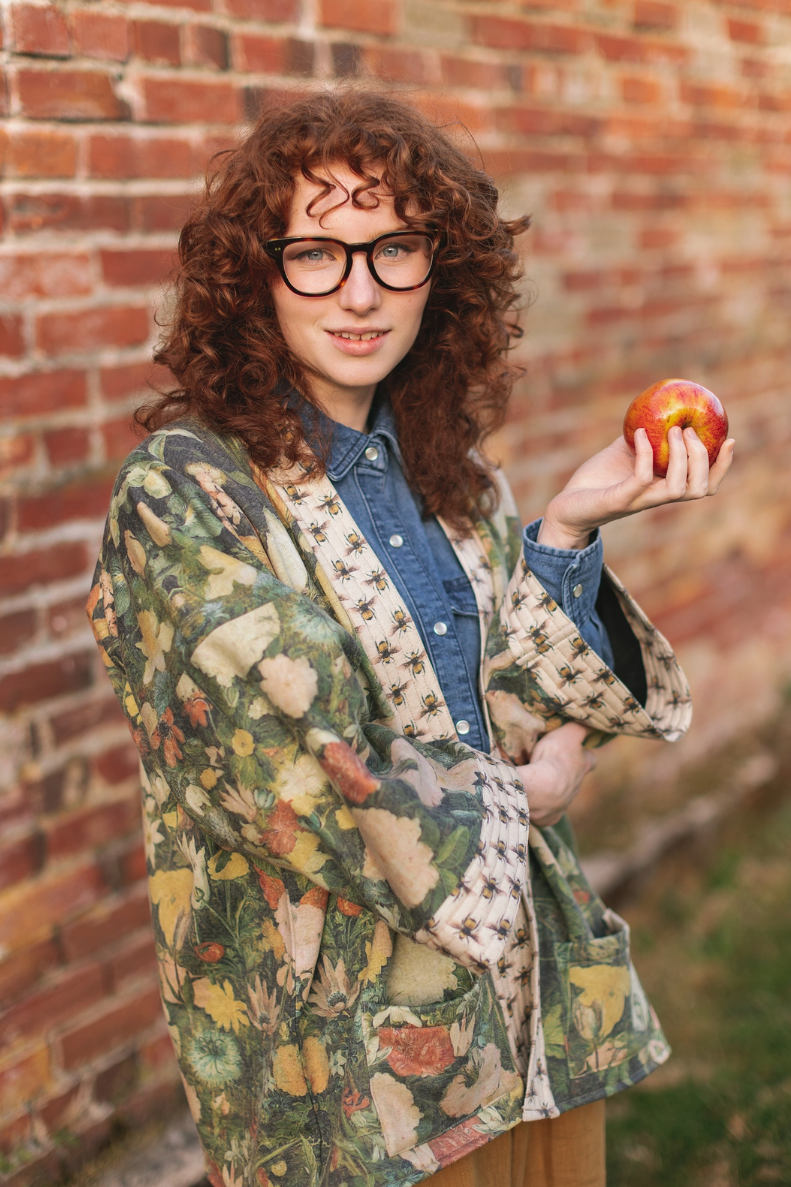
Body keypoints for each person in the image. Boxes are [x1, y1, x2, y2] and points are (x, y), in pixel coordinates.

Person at [87, 89, 733, 1187]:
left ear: (441, 271)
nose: (358, 290)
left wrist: (567, 527)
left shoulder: (454, 476)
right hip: (344, 1069)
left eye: (393, 248)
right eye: (315, 253)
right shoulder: (184, 493)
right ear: (256, 274)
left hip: (519, 1028)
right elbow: (303, 759)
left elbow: (503, 704)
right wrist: (525, 790)